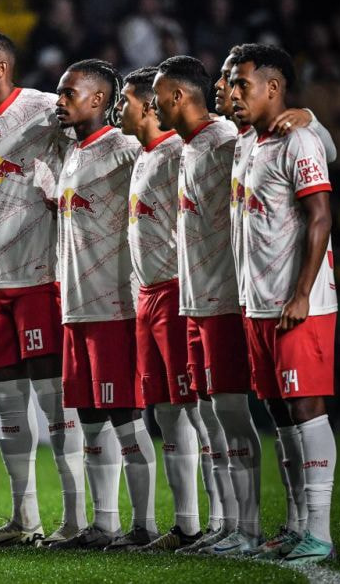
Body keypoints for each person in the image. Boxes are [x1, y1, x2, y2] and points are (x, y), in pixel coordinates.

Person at [0, 31, 85, 548]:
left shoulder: (47, 109)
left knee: (56, 408)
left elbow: (102, 137)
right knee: (7, 411)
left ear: (2, 67)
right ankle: (24, 519)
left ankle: (74, 520)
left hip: (39, 277)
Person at [217, 44, 337, 559]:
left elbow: (320, 218)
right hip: (258, 304)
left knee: (307, 412)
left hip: (296, 303)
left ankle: (321, 534)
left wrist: (303, 294)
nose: (232, 92)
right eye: (228, 82)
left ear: (274, 87)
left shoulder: (300, 140)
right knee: (281, 416)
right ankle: (295, 525)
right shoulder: (246, 143)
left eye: (241, 82)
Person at [152, 56, 263, 555]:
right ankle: (225, 523)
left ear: (177, 96)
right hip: (194, 303)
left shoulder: (224, 140)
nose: (154, 103)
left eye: (158, 93)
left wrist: (311, 120)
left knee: (232, 417)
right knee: (207, 419)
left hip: (224, 301)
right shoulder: (187, 146)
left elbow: (292, 143)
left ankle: (250, 527)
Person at [48, 60, 158, 551]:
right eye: (58, 93)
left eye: (69, 93)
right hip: (75, 307)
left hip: (114, 306)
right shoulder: (71, 153)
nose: (60, 101)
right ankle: (104, 524)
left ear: (98, 100)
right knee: (90, 419)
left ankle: (146, 525)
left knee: (125, 418)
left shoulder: (125, 149)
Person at [115, 66, 210, 550]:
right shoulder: (140, 155)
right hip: (146, 294)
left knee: (195, 412)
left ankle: (218, 525)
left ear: (150, 106)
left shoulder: (178, 152)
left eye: (127, 100)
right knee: (167, 414)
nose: (120, 109)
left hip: (175, 290)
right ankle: (189, 525)